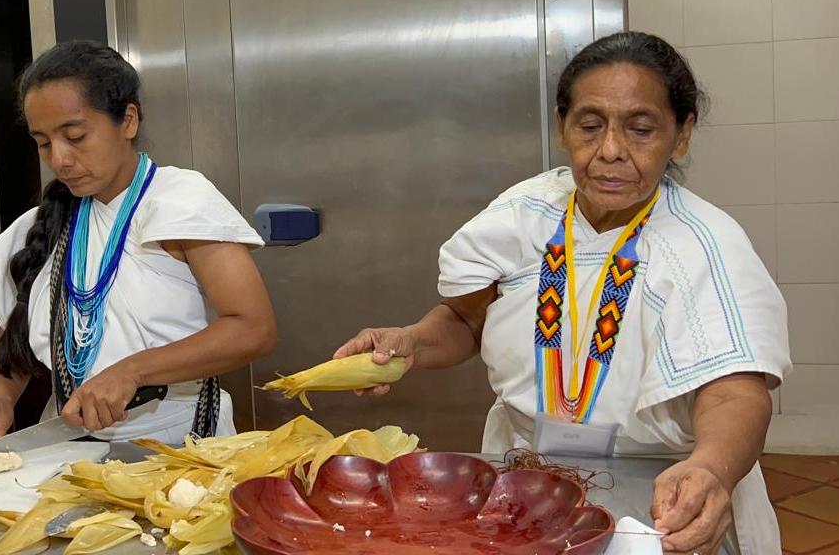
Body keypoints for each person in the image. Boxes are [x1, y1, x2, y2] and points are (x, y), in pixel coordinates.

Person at [334, 32, 789, 555]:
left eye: (641, 130)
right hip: (521, 484)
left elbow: (736, 390)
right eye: (590, 126)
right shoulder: (522, 213)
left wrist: (711, 468)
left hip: (664, 495)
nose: (611, 151)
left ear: (681, 135)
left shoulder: (706, 244)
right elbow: (466, 321)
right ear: (562, 126)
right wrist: (410, 341)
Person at [0, 41, 276, 452]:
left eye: (75, 136)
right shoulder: (47, 221)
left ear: (127, 120)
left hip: (181, 449)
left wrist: (132, 373)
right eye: (43, 143)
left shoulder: (182, 201)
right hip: (69, 451)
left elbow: (253, 328)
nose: (59, 159)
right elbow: (17, 331)